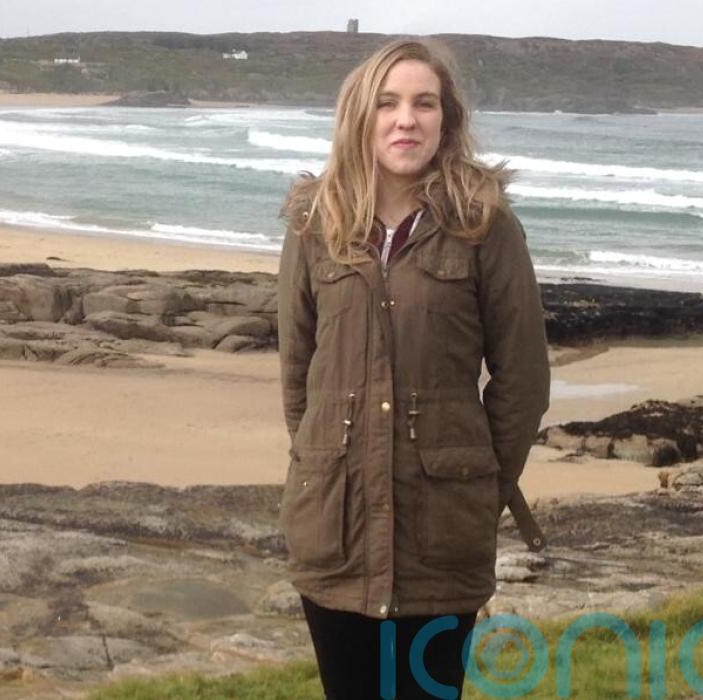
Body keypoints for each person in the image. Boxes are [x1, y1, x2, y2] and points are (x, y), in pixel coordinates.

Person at [276, 39, 551, 699]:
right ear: (360, 117)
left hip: (443, 536)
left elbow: (522, 380)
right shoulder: (314, 224)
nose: (406, 119)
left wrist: (478, 487)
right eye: (388, 103)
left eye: (424, 103)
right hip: (335, 533)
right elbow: (298, 373)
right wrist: (324, 469)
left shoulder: (485, 225)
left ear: (445, 118)